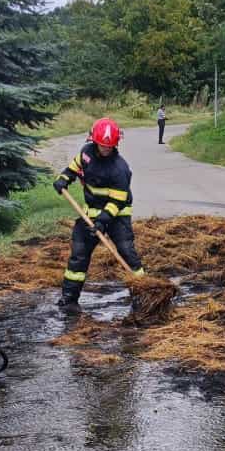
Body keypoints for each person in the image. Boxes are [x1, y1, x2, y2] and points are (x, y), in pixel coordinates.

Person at [52, 117, 146, 313]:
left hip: (117, 215)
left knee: (126, 251)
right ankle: (69, 298)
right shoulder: (86, 153)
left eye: (109, 146)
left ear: (115, 144)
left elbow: (118, 201)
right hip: (90, 214)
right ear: (94, 141)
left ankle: (144, 293)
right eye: (102, 145)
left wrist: (103, 221)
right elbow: (74, 168)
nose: (105, 149)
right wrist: (63, 179)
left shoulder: (120, 169)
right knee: (78, 255)